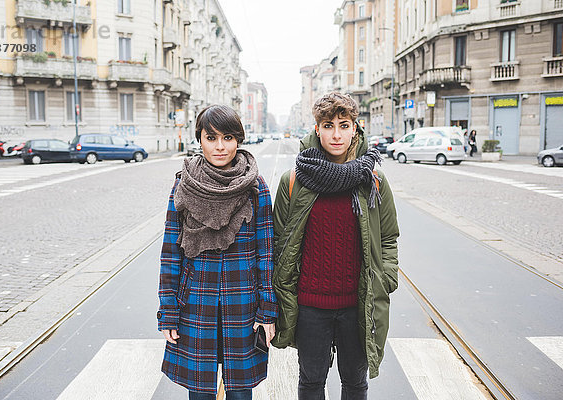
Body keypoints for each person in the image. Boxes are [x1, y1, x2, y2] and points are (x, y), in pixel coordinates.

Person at [272, 92, 400, 399]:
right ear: (317, 129)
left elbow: (387, 238)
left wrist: (386, 278)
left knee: (355, 384)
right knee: (311, 382)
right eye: (328, 125)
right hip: (310, 305)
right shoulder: (294, 181)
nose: (337, 134)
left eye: (344, 125)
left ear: (356, 128)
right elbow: (278, 241)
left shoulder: (374, 180)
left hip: (358, 304)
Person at [157, 104, 278, 399]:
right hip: (195, 304)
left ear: (238, 139)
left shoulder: (255, 186)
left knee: (240, 393)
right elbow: (171, 252)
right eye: (211, 138)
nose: (220, 147)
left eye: (227, 137)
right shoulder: (184, 184)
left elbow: (266, 253)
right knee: (200, 393)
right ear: (199, 139)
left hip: (244, 305)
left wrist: (268, 311)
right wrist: (168, 311)